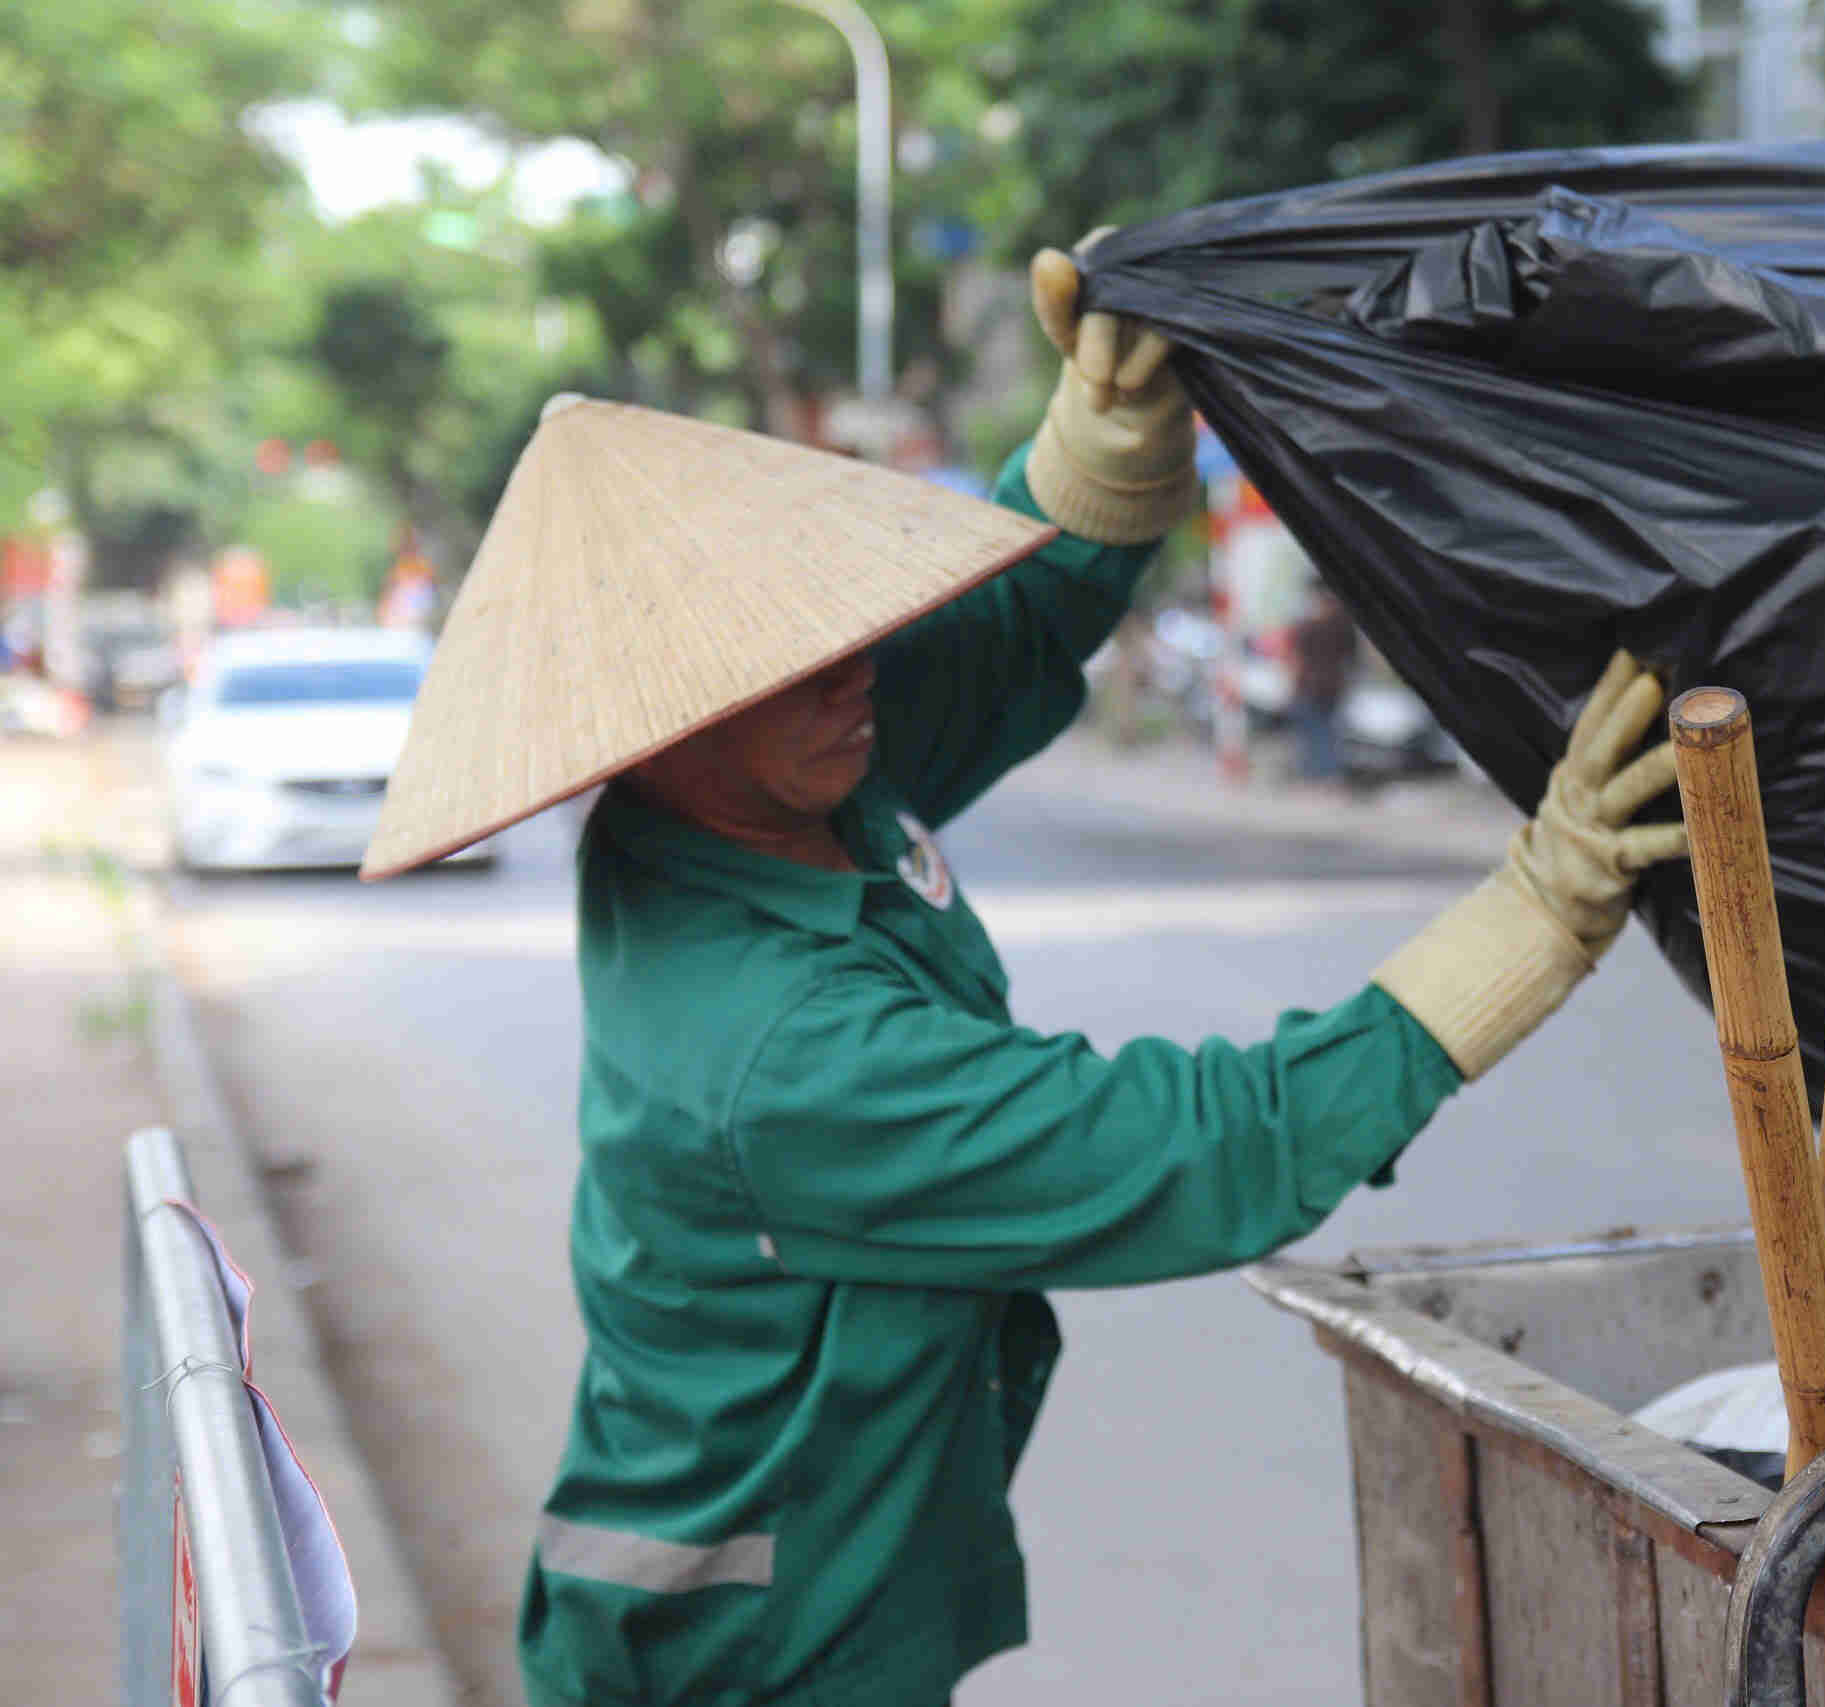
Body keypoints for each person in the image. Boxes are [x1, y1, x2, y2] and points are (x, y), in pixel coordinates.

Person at [362, 240, 1690, 1707]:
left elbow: (992, 638)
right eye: (791, 655)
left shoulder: (773, 777)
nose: (851, 666)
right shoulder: (781, 1052)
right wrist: (1542, 912)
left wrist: (1102, 438)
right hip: (739, 1662)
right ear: (654, 727)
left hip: (817, 1576)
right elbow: (1205, 1145)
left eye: (838, 621)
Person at [1287, 580, 1358, 782]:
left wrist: (1292, 683)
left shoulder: (1309, 625)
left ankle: (1319, 775)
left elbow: (1297, 657)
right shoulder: (1342, 621)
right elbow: (1351, 656)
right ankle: (1325, 774)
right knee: (1324, 731)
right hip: (1331, 683)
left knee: (1316, 732)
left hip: (1312, 685)